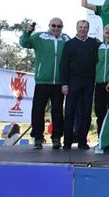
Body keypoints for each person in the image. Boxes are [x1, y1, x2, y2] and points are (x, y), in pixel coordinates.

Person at [19, 18, 70, 150]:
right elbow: (24, 43)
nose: (56, 28)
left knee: (58, 111)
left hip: (59, 82)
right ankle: (37, 138)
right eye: (53, 25)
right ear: (49, 26)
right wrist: (27, 32)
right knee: (38, 110)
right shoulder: (40, 36)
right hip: (42, 81)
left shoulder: (66, 39)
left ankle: (56, 138)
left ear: (62, 27)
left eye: (59, 26)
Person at [60, 20, 100, 150]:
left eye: (85, 27)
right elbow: (64, 65)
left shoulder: (94, 43)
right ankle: (67, 142)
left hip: (89, 82)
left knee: (86, 112)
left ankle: (82, 141)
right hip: (73, 81)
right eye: (81, 27)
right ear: (76, 28)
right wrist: (64, 84)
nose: (83, 29)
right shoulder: (69, 44)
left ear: (88, 29)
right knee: (70, 112)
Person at [95, 24, 109, 136]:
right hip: (98, 83)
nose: (108, 30)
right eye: (106, 29)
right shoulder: (98, 46)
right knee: (99, 111)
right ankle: (100, 137)